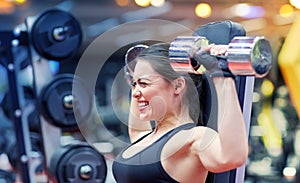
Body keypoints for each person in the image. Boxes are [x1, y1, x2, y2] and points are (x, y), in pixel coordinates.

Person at [112, 42, 248, 183]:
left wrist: (221, 74)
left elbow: (232, 157)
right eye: (134, 84)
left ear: (177, 85)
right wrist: (138, 75)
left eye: (144, 83)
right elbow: (136, 129)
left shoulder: (194, 138)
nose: (134, 93)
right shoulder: (146, 138)